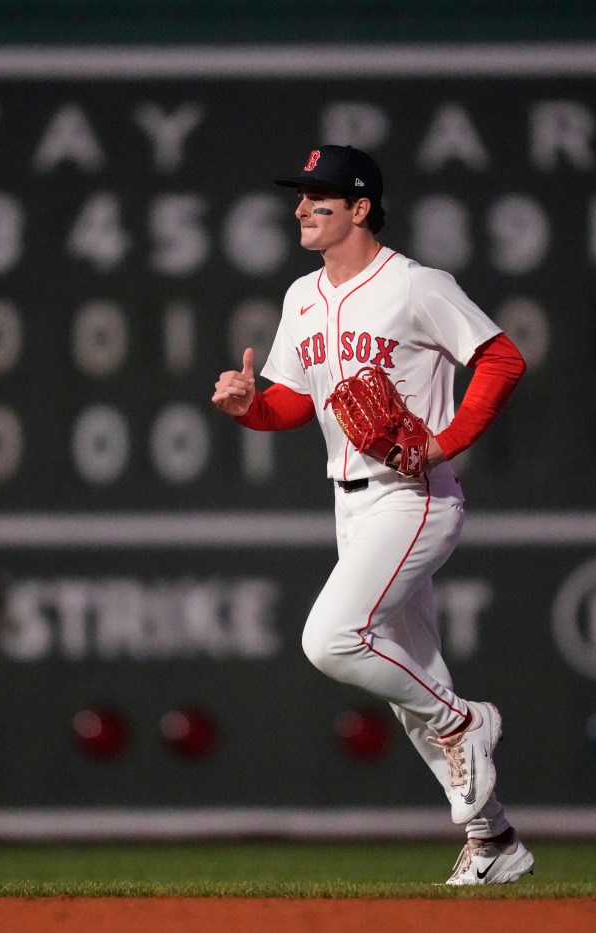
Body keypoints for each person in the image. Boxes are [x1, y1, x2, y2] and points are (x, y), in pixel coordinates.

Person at [211, 144, 533, 885]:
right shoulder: (302, 296)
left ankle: (465, 720)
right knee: (409, 677)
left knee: (331, 639)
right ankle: (493, 840)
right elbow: (295, 401)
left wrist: (444, 442)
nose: (301, 208)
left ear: (360, 208)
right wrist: (249, 407)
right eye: (300, 195)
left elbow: (502, 358)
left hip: (415, 496)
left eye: (318, 197)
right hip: (349, 503)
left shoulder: (415, 285)